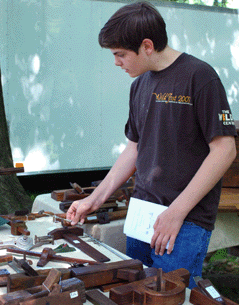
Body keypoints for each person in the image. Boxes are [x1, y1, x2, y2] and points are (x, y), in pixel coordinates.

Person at [66, 1, 237, 289]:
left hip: (185, 219)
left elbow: (225, 150)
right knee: (137, 291)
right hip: (142, 213)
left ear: (146, 46)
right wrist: (94, 199)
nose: (116, 62)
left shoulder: (200, 77)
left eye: (120, 54)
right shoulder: (139, 85)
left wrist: (176, 212)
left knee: (171, 295)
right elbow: (134, 148)